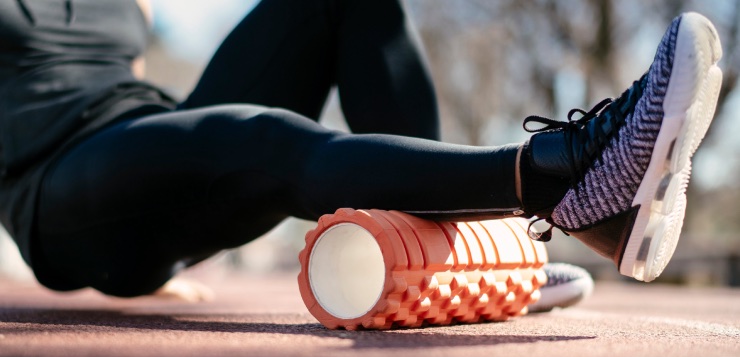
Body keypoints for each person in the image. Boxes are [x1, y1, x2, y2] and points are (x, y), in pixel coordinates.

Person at [0, 0, 722, 299]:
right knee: (267, 138)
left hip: (144, 142)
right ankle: (563, 176)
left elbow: (118, 74)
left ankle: (446, 258)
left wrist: (164, 198)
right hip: (57, 185)